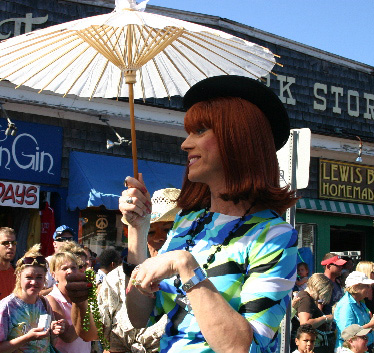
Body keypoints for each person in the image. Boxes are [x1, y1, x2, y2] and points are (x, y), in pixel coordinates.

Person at [120, 75, 299, 353]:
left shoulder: (274, 236)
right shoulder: (187, 222)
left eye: (200, 131)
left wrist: (185, 265)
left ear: (238, 140)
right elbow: (140, 316)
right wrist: (138, 231)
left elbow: (243, 347)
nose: (185, 144)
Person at [98, 188, 180, 353]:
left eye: (167, 229)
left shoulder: (194, 274)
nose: (159, 238)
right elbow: (94, 334)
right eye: (150, 232)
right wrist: (81, 303)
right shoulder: (116, 279)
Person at [0, 244, 67, 352]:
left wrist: (53, 330)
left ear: (45, 279)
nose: (34, 282)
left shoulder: (43, 302)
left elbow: (49, 343)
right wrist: (28, 337)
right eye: (29, 277)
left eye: (39, 277)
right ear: (19, 276)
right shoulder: (6, 307)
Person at [46, 241, 98, 353]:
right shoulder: (52, 299)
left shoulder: (85, 297)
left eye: (73, 268)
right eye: (64, 269)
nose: (70, 271)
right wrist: (81, 302)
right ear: (54, 275)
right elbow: (68, 337)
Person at [334, 271, 374, 352]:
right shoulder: (346, 305)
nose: (369, 288)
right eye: (366, 286)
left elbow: (362, 327)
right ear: (356, 287)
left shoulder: (360, 303)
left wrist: (373, 323)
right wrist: (370, 324)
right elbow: (347, 334)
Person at [42, 225, 77, 295]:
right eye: (63, 239)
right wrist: (61, 287)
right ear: (54, 244)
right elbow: (39, 293)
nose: (67, 242)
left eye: (70, 239)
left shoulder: (76, 260)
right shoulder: (46, 262)